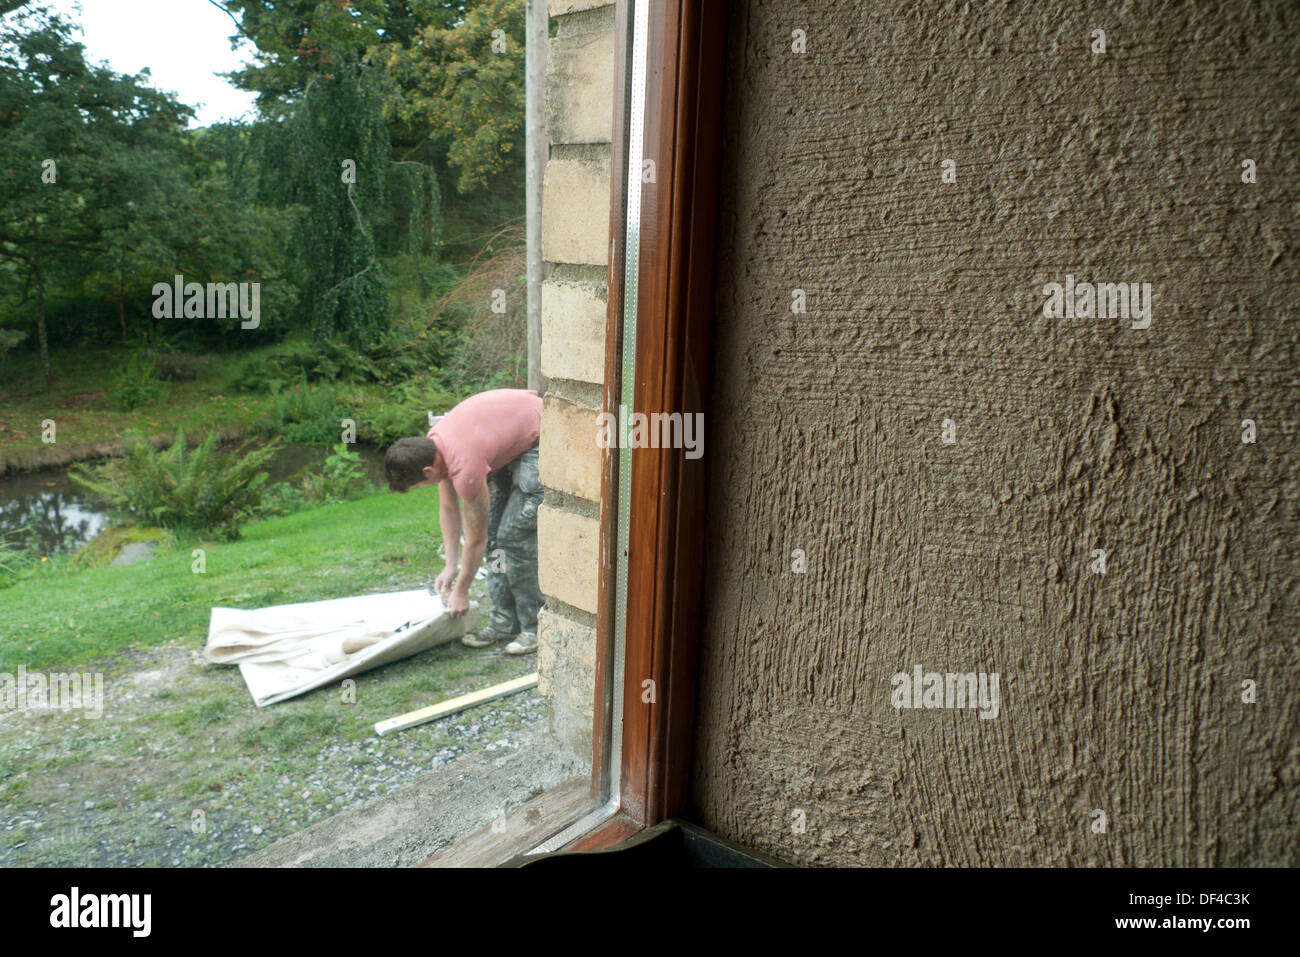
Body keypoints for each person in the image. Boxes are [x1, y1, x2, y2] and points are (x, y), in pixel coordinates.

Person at [383, 388, 544, 655]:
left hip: (542, 432)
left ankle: (535, 627)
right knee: (496, 540)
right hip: (504, 436)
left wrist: (461, 590)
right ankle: (505, 621)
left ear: (427, 471)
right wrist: (450, 565)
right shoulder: (432, 447)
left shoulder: (464, 464)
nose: (424, 486)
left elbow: (475, 537)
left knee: (512, 539)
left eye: (420, 484)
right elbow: (448, 509)